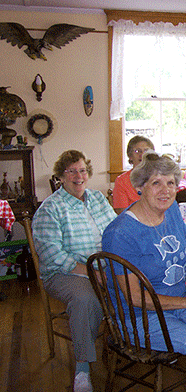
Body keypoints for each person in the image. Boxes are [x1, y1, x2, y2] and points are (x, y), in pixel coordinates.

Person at [102, 152, 186, 392]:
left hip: (177, 305)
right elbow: (135, 298)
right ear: (140, 186)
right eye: (156, 183)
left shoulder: (170, 210)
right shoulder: (121, 234)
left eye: (171, 183)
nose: (165, 190)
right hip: (140, 318)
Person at [32, 150, 117, 392]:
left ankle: (129, 341)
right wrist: (91, 273)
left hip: (101, 266)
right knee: (85, 298)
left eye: (82, 170)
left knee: (137, 280)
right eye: (71, 171)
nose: (78, 176)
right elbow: (53, 255)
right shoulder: (50, 209)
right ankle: (82, 369)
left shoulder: (98, 199)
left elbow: (113, 231)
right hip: (63, 273)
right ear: (60, 176)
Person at [112, 135, 155, 214]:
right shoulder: (121, 181)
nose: (142, 155)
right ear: (130, 156)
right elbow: (122, 213)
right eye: (137, 151)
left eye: (146, 151)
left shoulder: (158, 177)